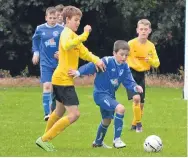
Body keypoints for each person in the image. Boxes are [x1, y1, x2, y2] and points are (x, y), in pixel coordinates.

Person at [35, 5, 106, 151]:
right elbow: (67, 45)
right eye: (76, 20)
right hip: (62, 79)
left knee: (59, 112)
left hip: (61, 79)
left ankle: (44, 139)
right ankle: (44, 139)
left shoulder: (74, 36)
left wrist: (97, 60)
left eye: (79, 20)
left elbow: (85, 53)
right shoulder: (66, 33)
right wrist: (85, 34)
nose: (78, 23)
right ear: (67, 20)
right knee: (74, 114)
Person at [68, 40, 143, 148]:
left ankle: (97, 143)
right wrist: (78, 72)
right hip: (100, 94)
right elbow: (92, 66)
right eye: (121, 54)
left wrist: (135, 86)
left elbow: (128, 80)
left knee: (107, 120)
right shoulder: (106, 61)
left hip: (110, 96)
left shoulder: (125, 66)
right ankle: (117, 140)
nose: (124, 57)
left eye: (126, 55)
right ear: (114, 53)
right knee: (120, 109)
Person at [126, 19, 160, 132]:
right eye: (141, 29)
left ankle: (134, 125)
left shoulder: (150, 46)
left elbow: (157, 62)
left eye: (146, 29)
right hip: (130, 73)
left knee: (141, 104)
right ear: (137, 30)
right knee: (136, 98)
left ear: (149, 31)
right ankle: (139, 125)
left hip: (142, 74)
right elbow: (121, 57)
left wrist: (150, 60)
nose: (143, 31)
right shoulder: (130, 44)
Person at [32, 7, 64, 121]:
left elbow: (66, 44)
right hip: (45, 63)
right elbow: (35, 41)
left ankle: (56, 111)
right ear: (46, 18)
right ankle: (47, 113)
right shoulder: (40, 28)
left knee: (57, 89)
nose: (52, 20)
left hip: (58, 63)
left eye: (54, 18)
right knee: (47, 86)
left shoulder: (62, 29)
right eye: (50, 18)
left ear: (57, 18)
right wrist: (36, 53)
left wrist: (61, 52)